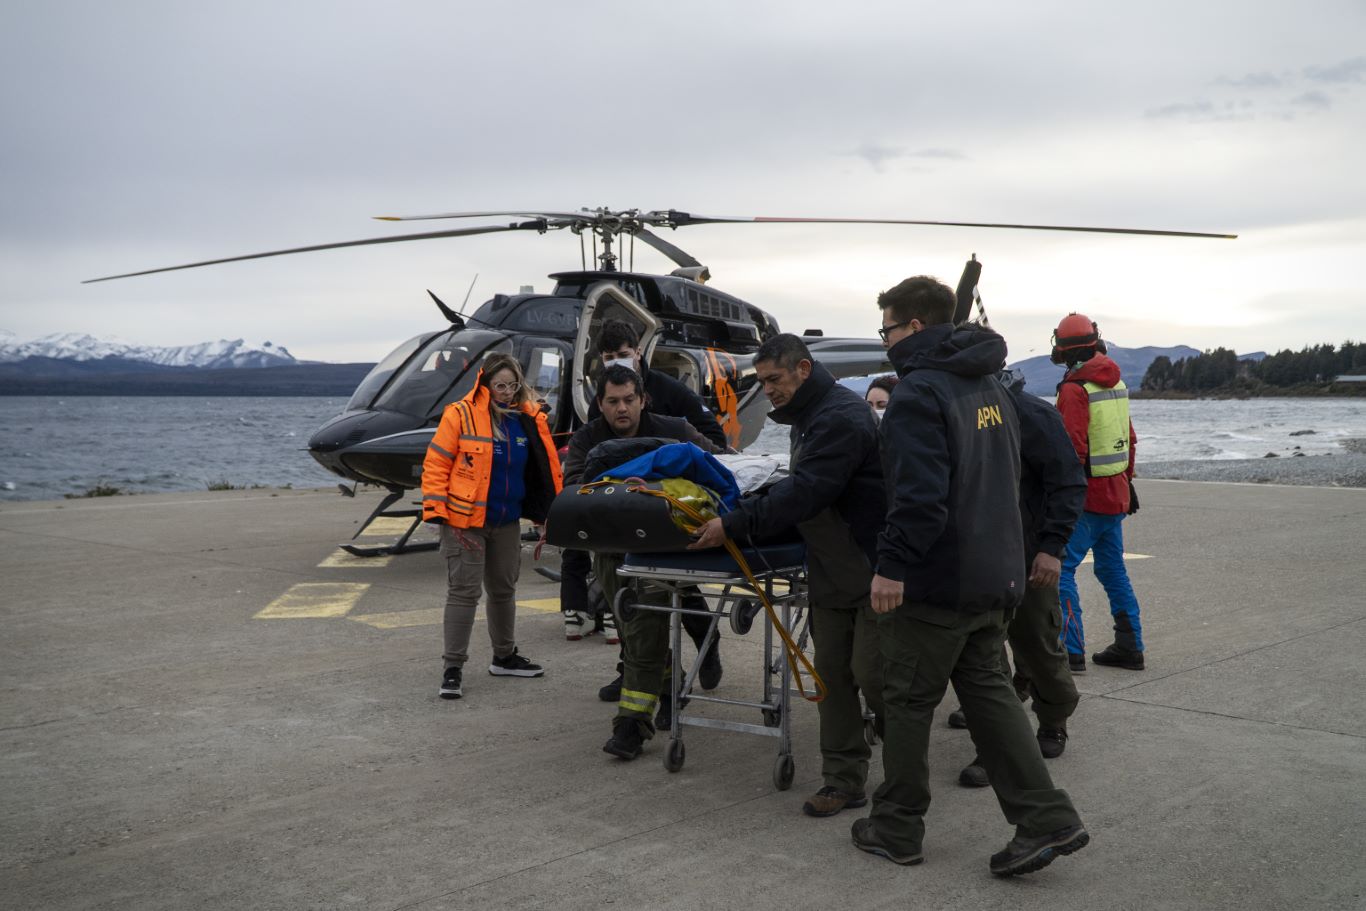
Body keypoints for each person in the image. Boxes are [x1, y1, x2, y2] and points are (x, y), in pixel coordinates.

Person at [855, 275, 1087, 876]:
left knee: (906, 701)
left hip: (938, 583)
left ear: (912, 327)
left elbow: (921, 498)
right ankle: (1046, 819)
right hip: (996, 576)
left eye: (887, 328)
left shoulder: (918, 394)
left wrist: (892, 566)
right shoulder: (990, 384)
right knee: (991, 697)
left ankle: (896, 826)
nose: (884, 342)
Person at [690, 334, 886, 819]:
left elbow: (808, 492)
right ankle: (844, 781)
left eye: (774, 379)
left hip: (871, 571)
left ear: (803, 368)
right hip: (831, 572)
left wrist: (734, 523)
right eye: (763, 382)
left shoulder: (841, 417)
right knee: (832, 679)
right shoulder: (809, 417)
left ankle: (905, 791)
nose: (769, 390)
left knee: (880, 681)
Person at [559, 365, 722, 760]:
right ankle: (669, 688)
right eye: (612, 402)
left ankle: (631, 725)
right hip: (612, 551)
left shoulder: (673, 430)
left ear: (642, 399)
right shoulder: (587, 439)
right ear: (600, 404)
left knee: (644, 631)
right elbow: (573, 487)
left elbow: (720, 463)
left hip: (665, 549)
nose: (622, 409)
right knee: (634, 632)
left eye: (629, 400)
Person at [952, 368, 1088, 787]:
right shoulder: (961, 411)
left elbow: (1067, 483)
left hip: (1029, 555)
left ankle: (1054, 717)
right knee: (982, 654)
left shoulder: (1032, 415)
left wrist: (1051, 548)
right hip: (978, 559)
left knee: (1040, 646)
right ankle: (994, 747)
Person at [422, 353, 563, 700]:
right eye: (499, 385)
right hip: (464, 523)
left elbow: (544, 470)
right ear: (485, 384)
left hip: (507, 522)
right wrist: (437, 515)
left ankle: (504, 656)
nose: (506, 391)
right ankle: (452, 667)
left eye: (512, 385)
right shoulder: (460, 414)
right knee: (464, 593)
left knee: (504, 590)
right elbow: (437, 464)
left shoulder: (528, 419)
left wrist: (549, 513)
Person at [1050, 313, 1145, 671]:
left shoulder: (1075, 390)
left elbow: (1070, 450)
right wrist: (1127, 482)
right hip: (1116, 494)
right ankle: (1130, 645)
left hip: (1086, 499)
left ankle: (1070, 651)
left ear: (1062, 348)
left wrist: (1060, 497)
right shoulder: (1116, 384)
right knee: (1112, 570)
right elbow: (1130, 439)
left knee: (1061, 572)